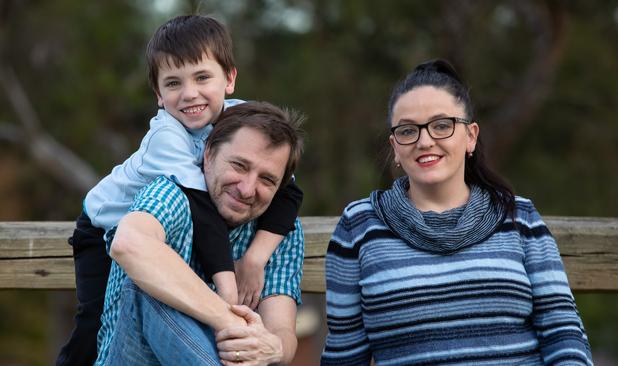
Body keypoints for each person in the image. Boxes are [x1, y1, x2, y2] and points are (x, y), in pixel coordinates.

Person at [56, 15, 303, 366]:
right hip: (102, 226)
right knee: (91, 327)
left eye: (203, 77)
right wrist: (228, 300)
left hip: (163, 234)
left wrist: (255, 258)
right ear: (158, 94)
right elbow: (200, 209)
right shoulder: (167, 139)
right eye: (173, 83)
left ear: (229, 79)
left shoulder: (242, 122)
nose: (190, 94)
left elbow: (290, 193)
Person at [321, 59, 593, 365]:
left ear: (470, 136)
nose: (425, 141)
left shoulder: (519, 217)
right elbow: (344, 355)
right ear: (395, 146)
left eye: (441, 125)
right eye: (408, 131)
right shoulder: (359, 225)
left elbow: (563, 334)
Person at [95, 101, 305, 365]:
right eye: (239, 166)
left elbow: (282, 331)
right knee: (148, 279)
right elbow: (129, 244)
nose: (248, 189)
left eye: (267, 180)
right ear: (208, 155)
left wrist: (273, 347)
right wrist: (229, 321)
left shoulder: (278, 234)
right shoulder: (172, 193)